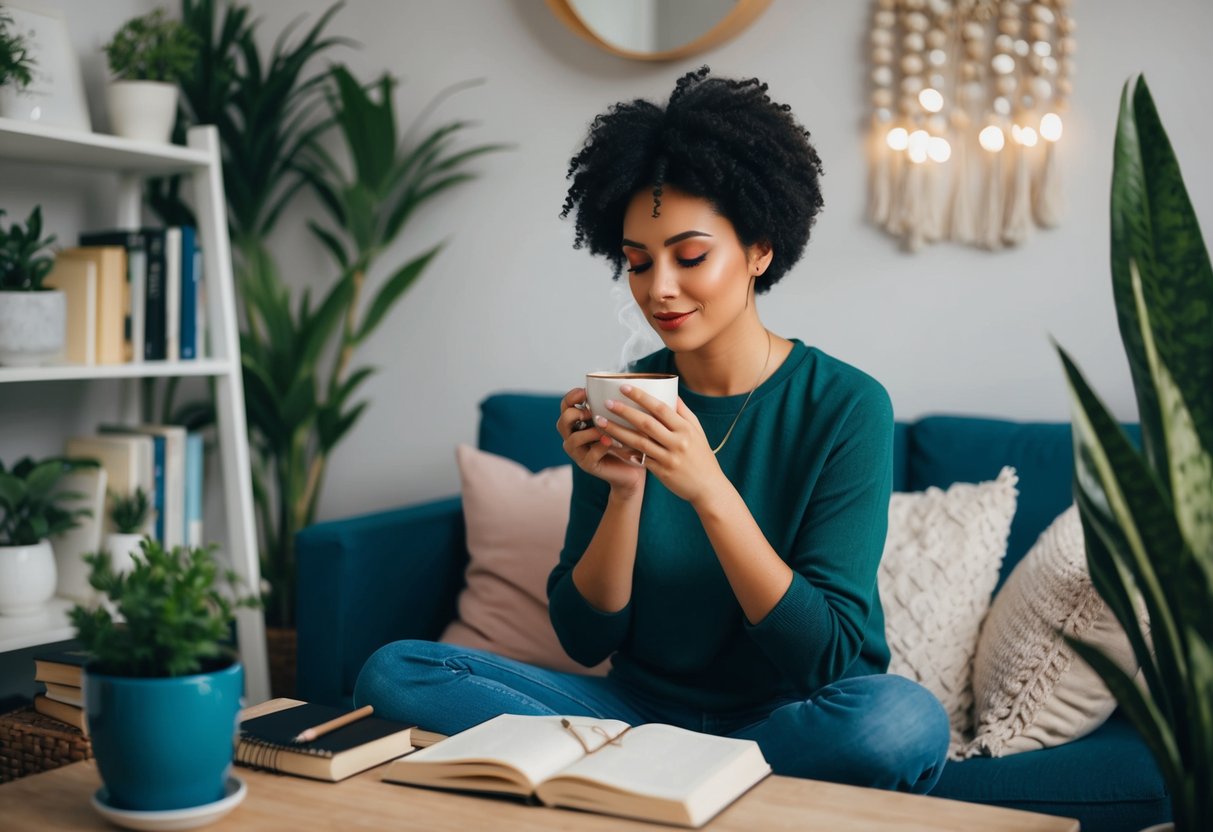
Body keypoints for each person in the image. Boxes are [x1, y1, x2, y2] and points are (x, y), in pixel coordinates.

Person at [355, 67, 950, 793]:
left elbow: (821, 657)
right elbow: (584, 638)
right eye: (638, 262)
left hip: (784, 716)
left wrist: (709, 491)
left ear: (759, 250)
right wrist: (622, 495)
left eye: (689, 256)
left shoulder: (846, 405)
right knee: (398, 669)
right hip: (633, 713)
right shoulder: (629, 395)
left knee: (900, 722)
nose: (658, 288)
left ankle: (641, 782)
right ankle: (679, 781)